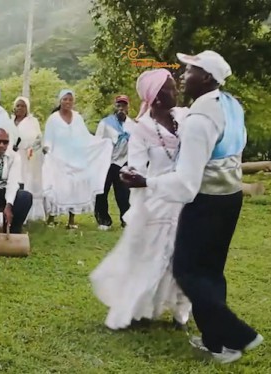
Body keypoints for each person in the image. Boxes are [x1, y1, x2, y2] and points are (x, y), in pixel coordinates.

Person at [121, 51, 263, 363]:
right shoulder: (230, 105)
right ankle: (217, 344)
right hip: (231, 197)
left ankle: (239, 334)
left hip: (206, 202)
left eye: (190, 71)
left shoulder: (198, 120)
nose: (184, 76)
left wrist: (147, 182)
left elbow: (187, 184)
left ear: (208, 78)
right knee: (211, 272)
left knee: (186, 271)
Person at [90, 69, 191, 331]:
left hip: (186, 197)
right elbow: (135, 166)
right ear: (156, 98)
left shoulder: (186, 117)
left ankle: (181, 311)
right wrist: (130, 175)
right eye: (169, 87)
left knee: (184, 254)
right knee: (152, 256)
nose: (176, 90)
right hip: (156, 200)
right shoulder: (142, 128)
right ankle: (139, 308)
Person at [42, 89, 113, 229]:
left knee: (74, 187)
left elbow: (85, 137)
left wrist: (101, 143)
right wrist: (47, 148)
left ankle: (71, 220)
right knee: (58, 187)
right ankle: (52, 217)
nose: (67, 102)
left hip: (76, 158)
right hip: (58, 158)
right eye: (65, 99)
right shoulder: (54, 118)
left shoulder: (77, 118)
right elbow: (48, 137)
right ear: (60, 101)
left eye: (70, 99)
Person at [94, 95, 136, 230]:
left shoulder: (132, 125)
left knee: (123, 192)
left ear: (128, 108)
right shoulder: (106, 123)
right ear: (115, 107)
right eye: (119, 105)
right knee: (102, 191)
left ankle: (126, 219)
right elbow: (97, 141)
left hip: (123, 162)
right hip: (106, 161)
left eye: (124, 106)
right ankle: (103, 220)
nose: (121, 108)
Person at [11, 96, 44, 221]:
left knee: (25, 182)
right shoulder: (9, 121)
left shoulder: (32, 122)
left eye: (23, 106)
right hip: (12, 156)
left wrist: (30, 147)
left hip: (27, 157)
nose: (20, 108)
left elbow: (38, 139)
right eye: (18, 105)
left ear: (27, 108)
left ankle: (25, 214)